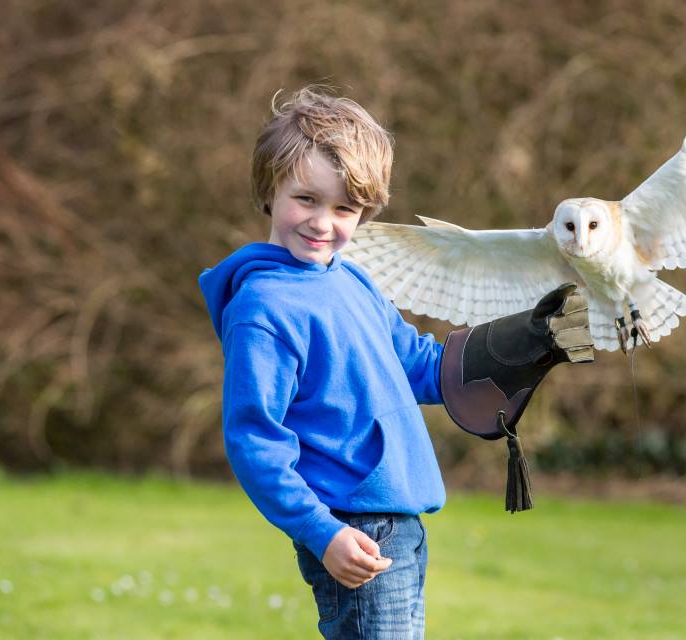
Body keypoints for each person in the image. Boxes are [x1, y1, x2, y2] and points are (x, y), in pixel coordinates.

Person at [198, 86, 593, 639]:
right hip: (352, 530)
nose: (322, 223)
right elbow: (255, 441)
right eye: (306, 199)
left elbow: (418, 366)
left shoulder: (351, 279)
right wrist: (322, 533)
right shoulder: (264, 307)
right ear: (270, 188)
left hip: (397, 524)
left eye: (344, 209)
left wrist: (523, 342)